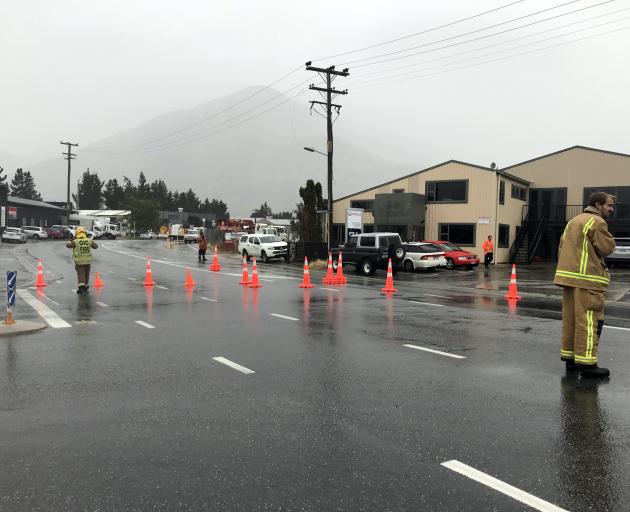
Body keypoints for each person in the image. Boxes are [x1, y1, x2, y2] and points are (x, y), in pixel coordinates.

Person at [554, 192, 616, 378]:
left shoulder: (572, 222)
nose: (611, 209)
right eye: (609, 205)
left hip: (569, 279)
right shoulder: (597, 222)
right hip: (588, 280)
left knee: (571, 320)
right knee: (589, 321)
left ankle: (570, 359)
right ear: (598, 205)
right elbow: (606, 248)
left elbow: (562, 248)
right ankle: (588, 364)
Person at [66, 226, 98, 294]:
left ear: (77, 233)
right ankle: (86, 286)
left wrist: (70, 240)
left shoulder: (75, 241)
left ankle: (81, 288)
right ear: (84, 233)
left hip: (79, 262)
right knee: (86, 275)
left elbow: (68, 245)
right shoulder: (89, 240)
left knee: (81, 275)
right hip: (87, 261)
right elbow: (96, 246)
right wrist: (91, 241)